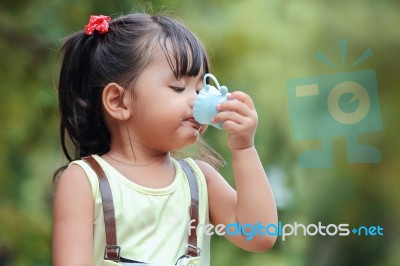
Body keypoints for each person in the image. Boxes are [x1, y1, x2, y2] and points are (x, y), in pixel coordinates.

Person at [52, 12, 278, 266]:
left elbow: (260, 236)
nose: (197, 100)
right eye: (179, 88)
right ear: (119, 101)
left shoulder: (199, 179)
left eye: (201, 89)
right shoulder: (85, 180)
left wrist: (244, 147)